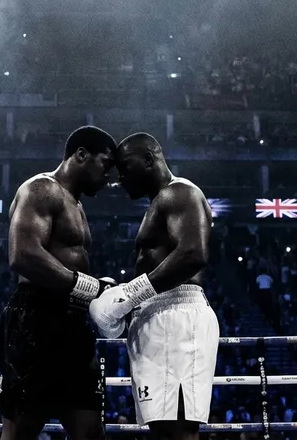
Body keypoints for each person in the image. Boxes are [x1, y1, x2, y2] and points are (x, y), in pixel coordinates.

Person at [90, 132, 218, 440]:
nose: (119, 178)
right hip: (159, 316)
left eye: (125, 167)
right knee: (163, 426)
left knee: (178, 429)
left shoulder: (180, 192)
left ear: (149, 160)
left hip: (176, 313)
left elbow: (193, 254)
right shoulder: (160, 203)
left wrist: (132, 292)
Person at [0, 125, 118, 440]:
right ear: (81, 155)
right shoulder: (41, 189)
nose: (108, 176)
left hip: (73, 324)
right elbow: (22, 255)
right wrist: (91, 287)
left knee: (90, 431)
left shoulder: (76, 204)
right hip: (35, 318)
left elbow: (68, 266)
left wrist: (98, 286)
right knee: (21, 430)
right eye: (105, 164)